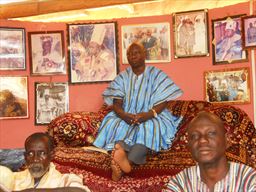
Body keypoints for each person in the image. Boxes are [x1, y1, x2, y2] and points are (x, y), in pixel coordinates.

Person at [93, 42, 183, 181]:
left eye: (136, 52)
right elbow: (117, 104)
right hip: (126, 115)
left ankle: (125, 164)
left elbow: (163, 101)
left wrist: (148, 115)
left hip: (152, 114)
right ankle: (121, 151)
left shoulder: (156, 74)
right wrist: (124, 115)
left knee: (149, 127)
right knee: (112, 122)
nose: (132, 56)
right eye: (129, 53)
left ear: (144, 55)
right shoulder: (123, 77)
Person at [163, 111, 256, 192]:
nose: (202, 140)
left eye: (211, 133)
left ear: (227, 141)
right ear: (189, 146)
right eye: (194, 136)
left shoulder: (249, 179)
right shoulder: (180, 183)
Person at [0, 132, 90, 192]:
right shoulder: (13, 178)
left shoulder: (67, 179)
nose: (35, 159)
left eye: (42, 153)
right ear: (25, 156)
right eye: (30, 154)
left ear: (51, 155)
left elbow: (80, 191)